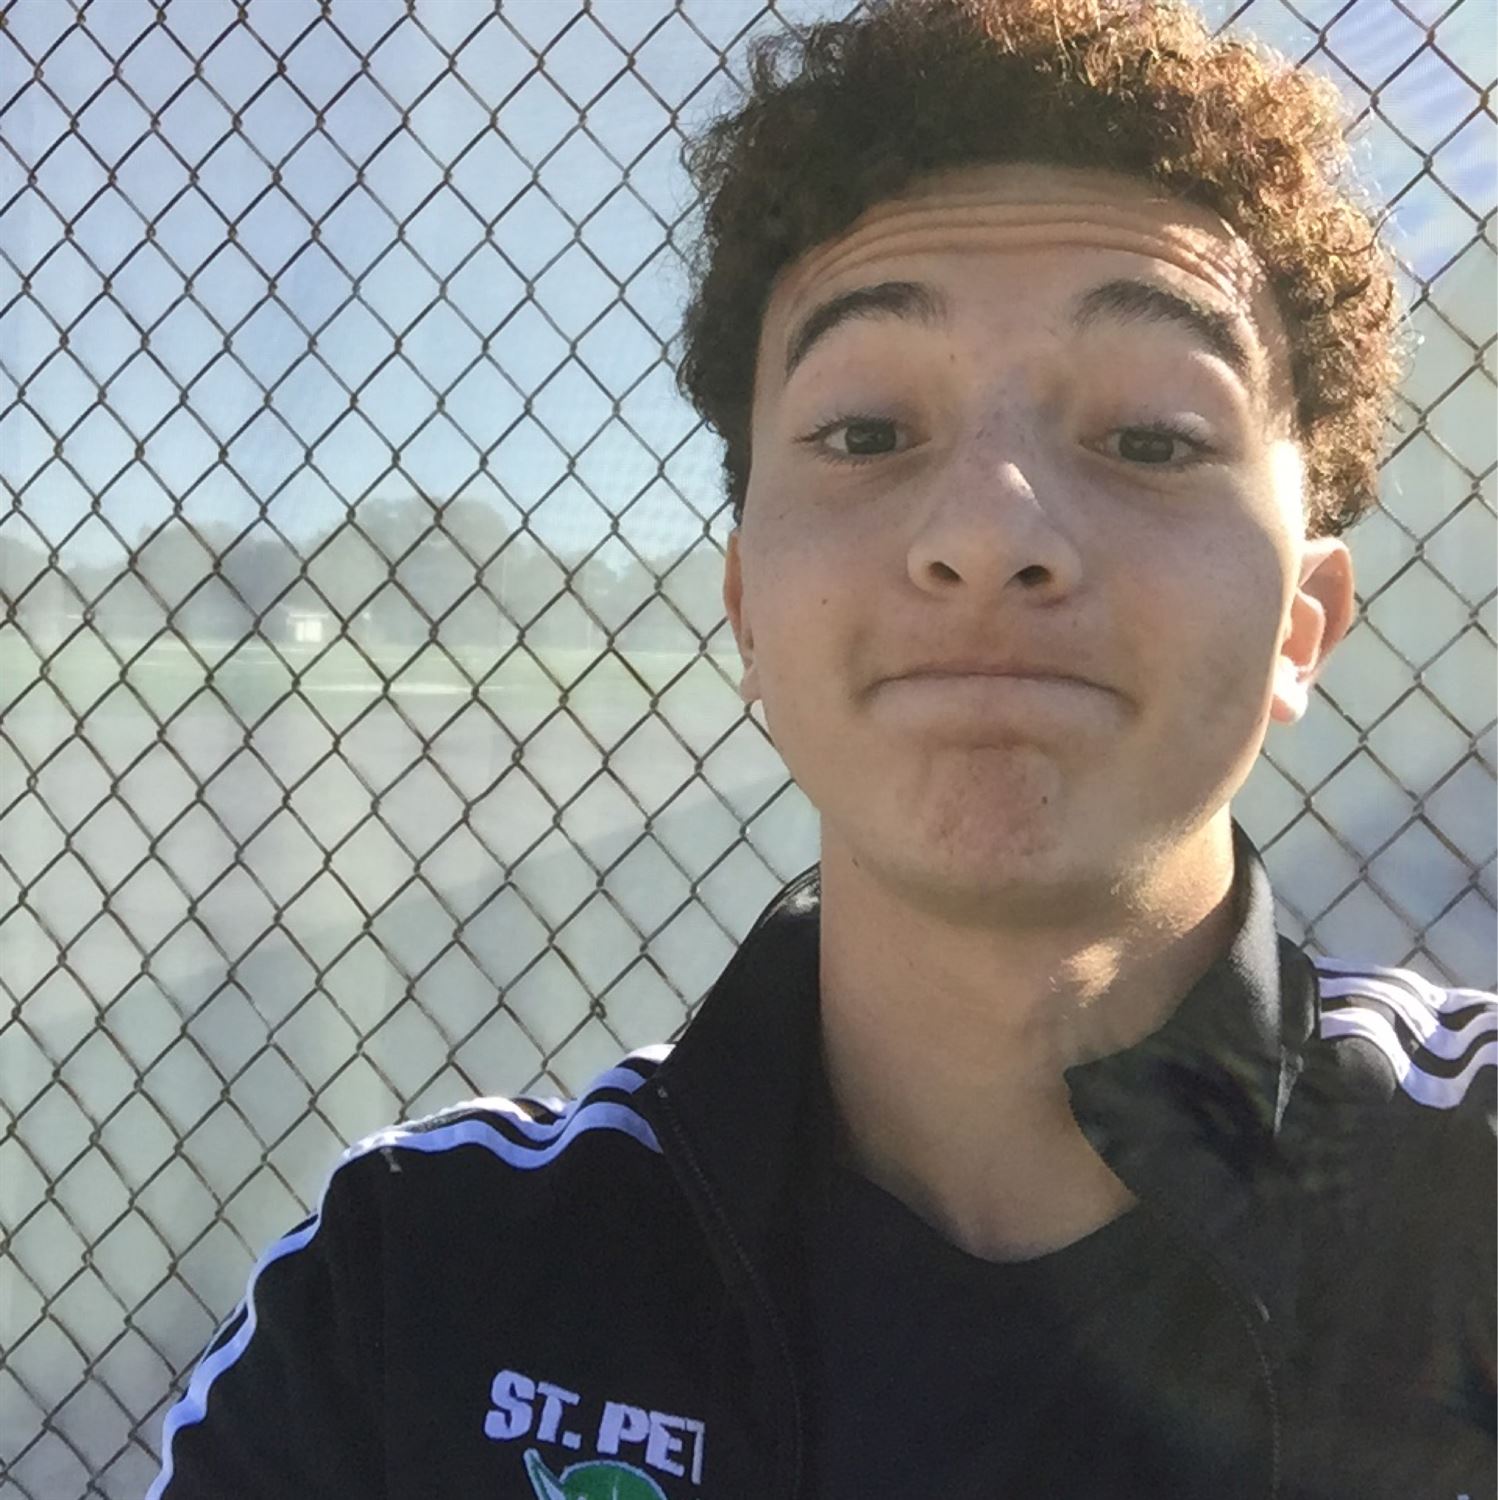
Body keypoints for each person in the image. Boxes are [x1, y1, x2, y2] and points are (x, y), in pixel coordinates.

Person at [146, 0, 1496, 1495]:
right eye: (866, 434)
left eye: (1151, 440)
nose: (988, 533)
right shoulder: (416, 1284)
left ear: (1304, 623)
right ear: (745, 612)